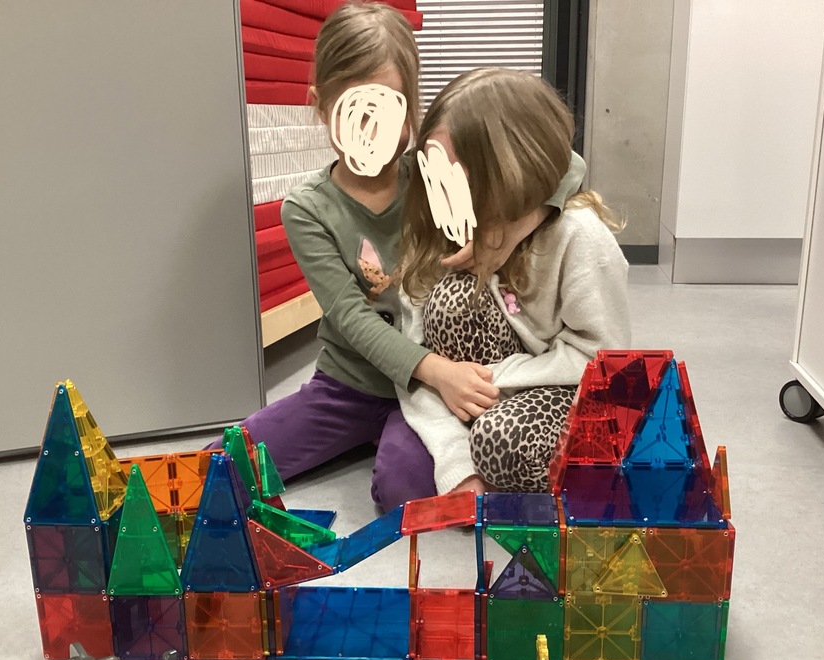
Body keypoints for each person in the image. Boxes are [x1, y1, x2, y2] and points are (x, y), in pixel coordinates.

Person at [213, 2, 585, 510]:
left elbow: (566, 164)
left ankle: (394, 442)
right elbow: (351, 317)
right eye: (356, 114)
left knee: (405, 491)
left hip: (433, 394)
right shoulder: (307, 208)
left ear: (412, 108)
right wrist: (436, 370)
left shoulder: (433, 169)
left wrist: (517, 222)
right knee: (222, 465)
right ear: (320, 106)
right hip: (350, 387)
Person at [397, 67, 631, 496]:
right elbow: (417, 361)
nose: (442, 194)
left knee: (502, 441)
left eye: (459, 179)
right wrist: (456, 463)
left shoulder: (579, 235)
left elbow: (604, 363)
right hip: (482, 401)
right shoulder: (439, 230)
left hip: (562, 394)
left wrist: (490, 379)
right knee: (451, 302)